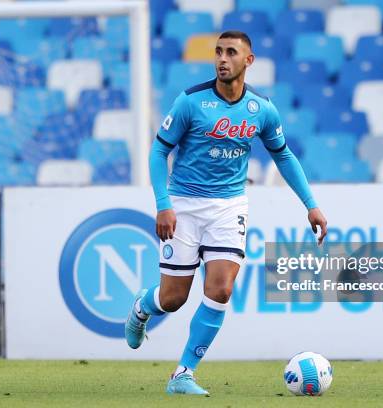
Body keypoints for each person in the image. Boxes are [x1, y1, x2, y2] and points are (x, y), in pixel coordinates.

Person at [125, 31, 327, 395]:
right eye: (218, 52)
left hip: (229, 206)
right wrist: (163, 204)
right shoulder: (191, 102)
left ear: (248, 61)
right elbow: (158, 153)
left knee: (221, 289)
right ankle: (142, 306)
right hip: (184, 204)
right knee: (173, 299)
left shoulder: (261, 109)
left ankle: (183, 374)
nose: (222, 58)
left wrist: (310, 204)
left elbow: (283, 154)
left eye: (231, 52)